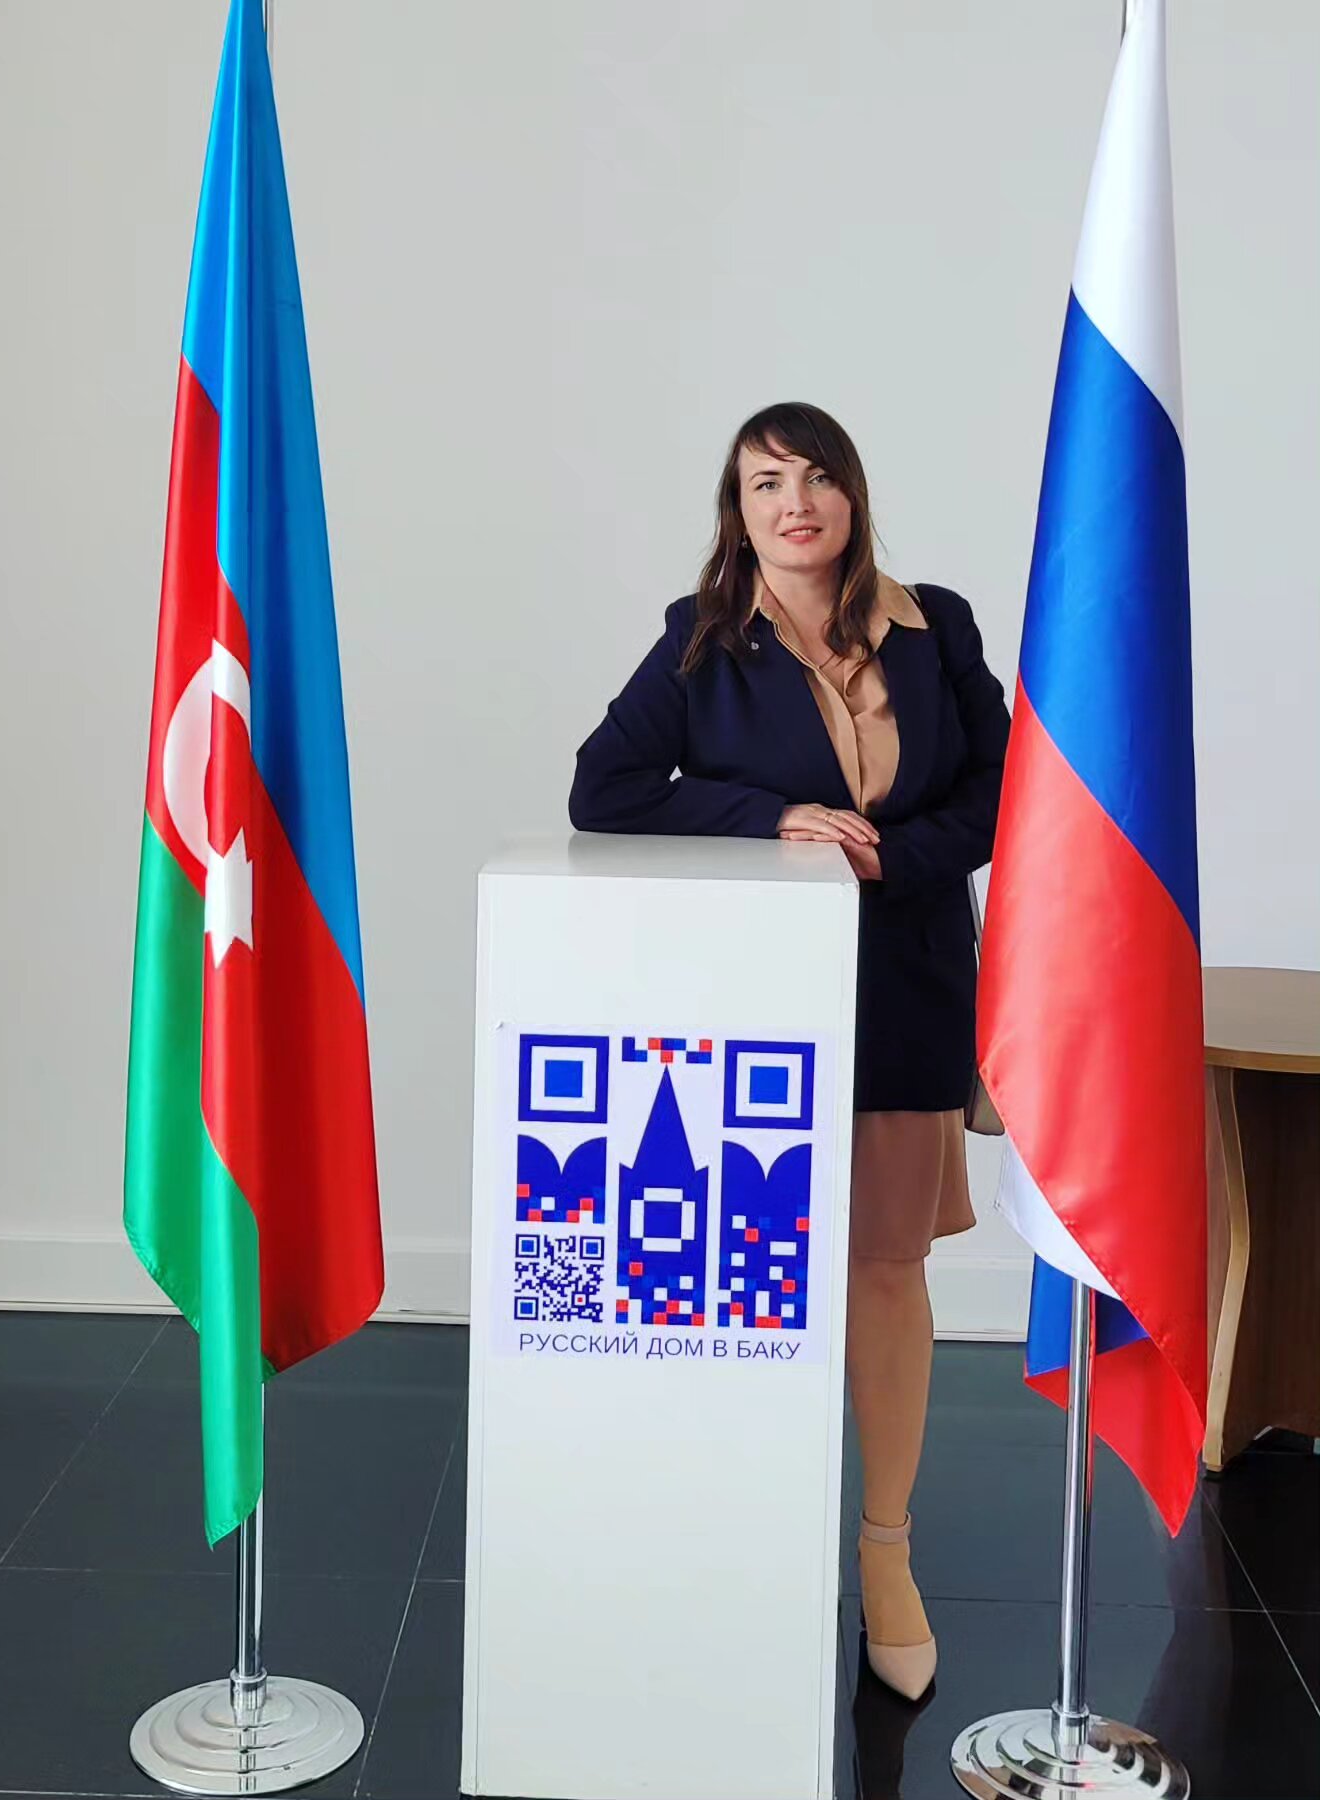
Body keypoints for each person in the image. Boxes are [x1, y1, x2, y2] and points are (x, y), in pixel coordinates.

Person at [567, 401, 1011, 1702]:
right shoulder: (701, 637)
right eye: (766, 483)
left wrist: (890, 856)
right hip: (749, 1012)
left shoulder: (938, 628)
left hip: (904, 989)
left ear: (852, 497)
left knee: (885, 1269)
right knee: (741, 1277)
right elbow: (602, 789)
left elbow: (1004, 792)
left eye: (816, 477)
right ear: (739, 510)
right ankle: (741, 1531)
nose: (794, 503)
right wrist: (775, 819)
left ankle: (886, 1550)